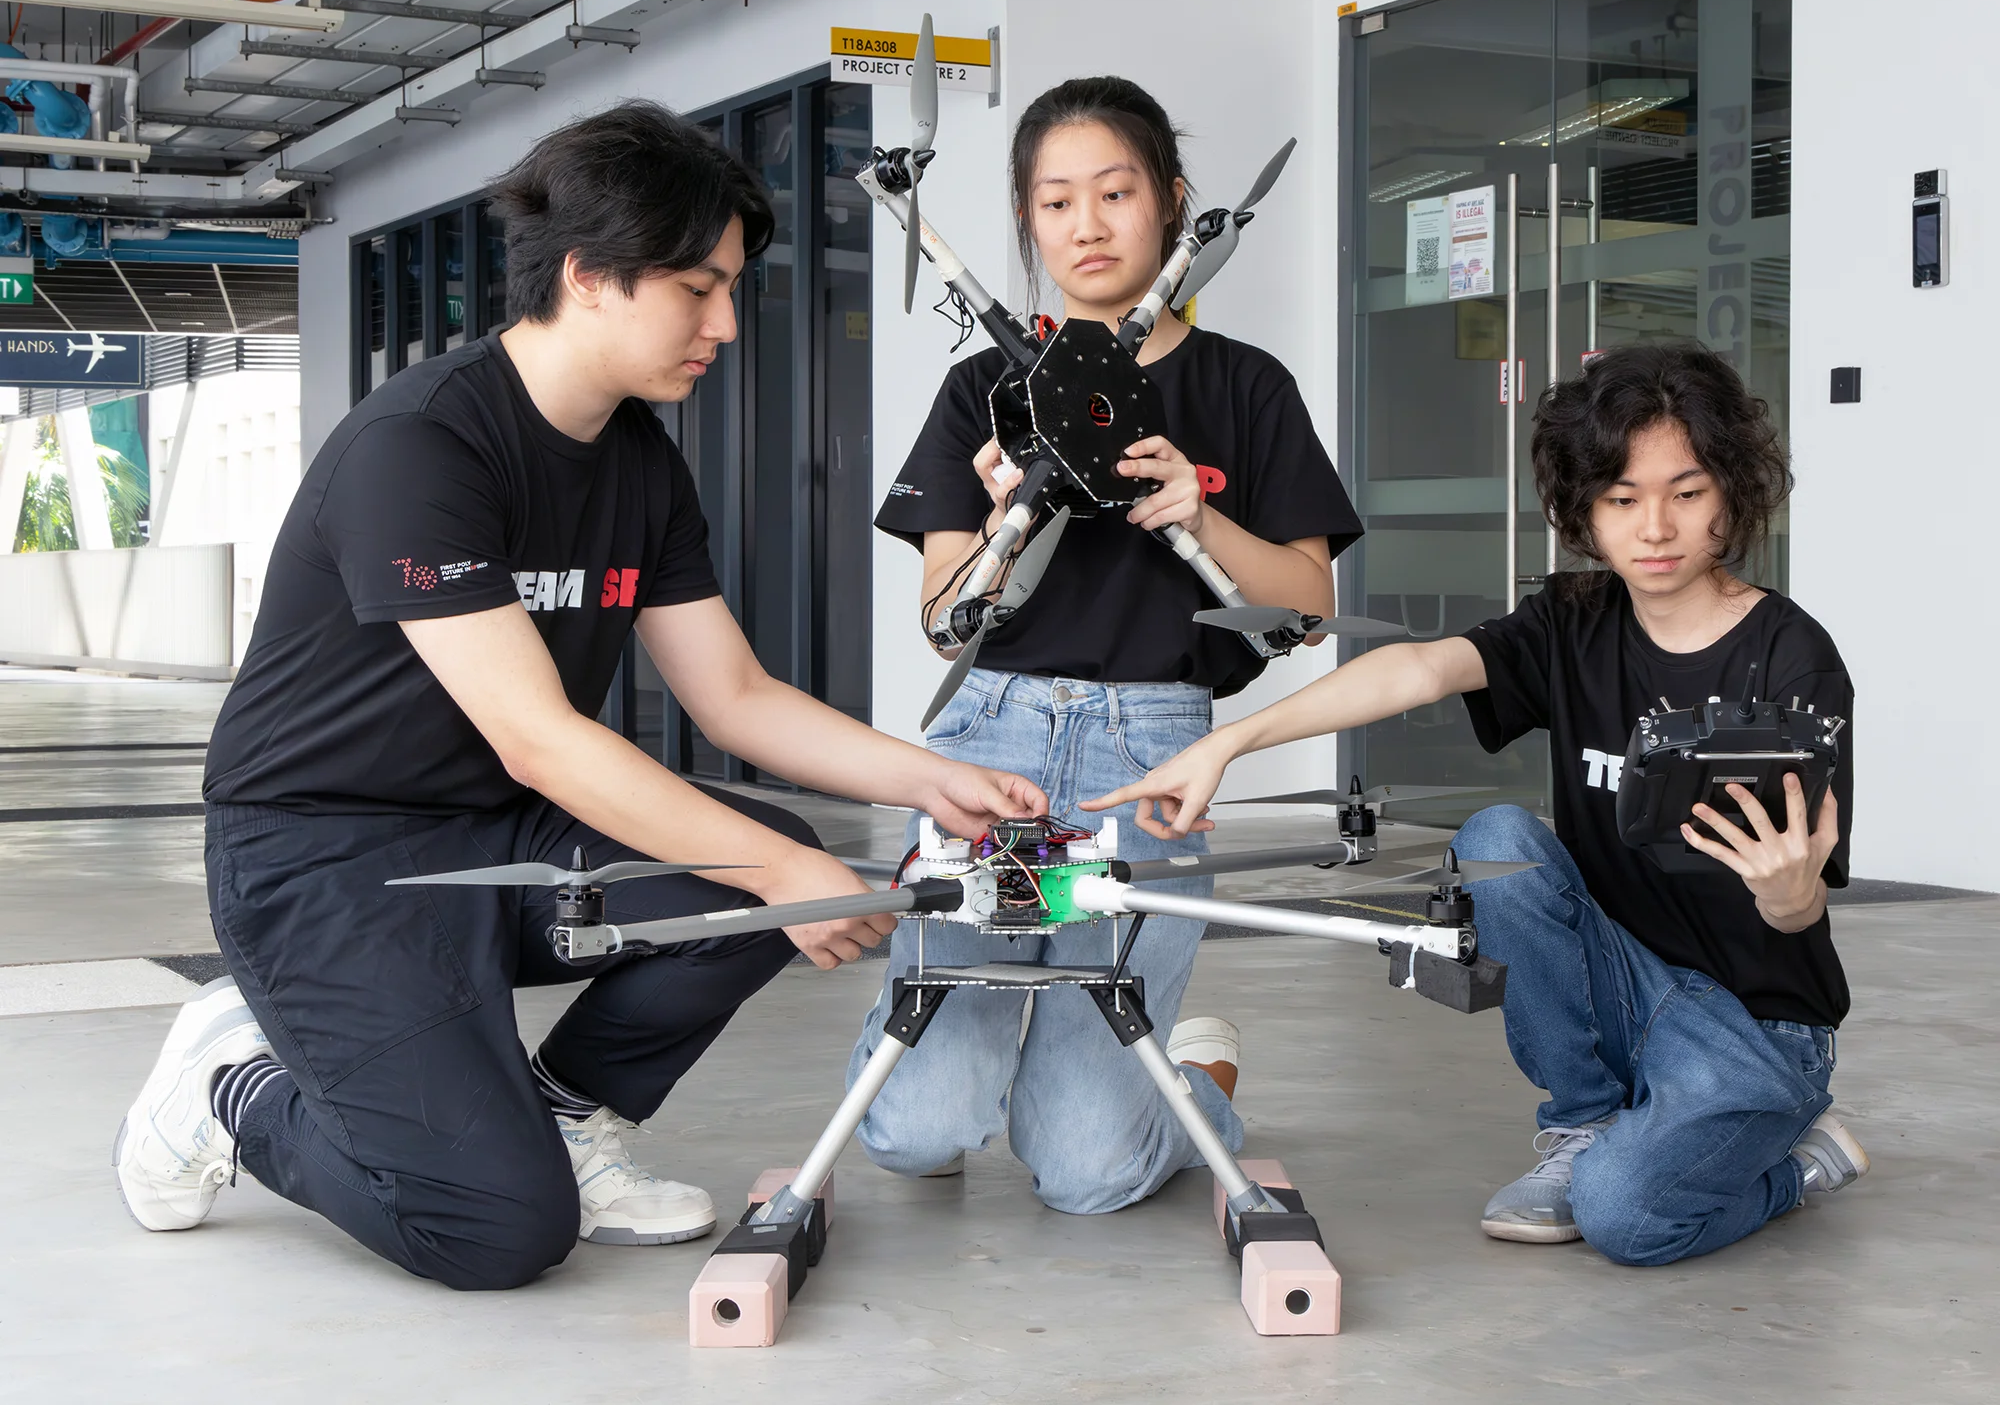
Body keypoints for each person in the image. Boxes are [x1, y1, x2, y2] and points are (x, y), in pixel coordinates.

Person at [113, 102, 1047, 1291]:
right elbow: (541, 737)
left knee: (758, 860)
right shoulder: (421, 446)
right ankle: (229, 1090)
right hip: (325, 855)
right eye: (697, 289)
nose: (723, 325)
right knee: (496, 1233)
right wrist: (783, 881)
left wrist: (932, 779)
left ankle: (564, 1116)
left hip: (496, 828)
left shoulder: (639, 461)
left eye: (732, 290)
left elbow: (737, 697)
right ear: (589, 277)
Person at [1087, 341, 1867, 1264]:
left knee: (1625, 1221)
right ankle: (1583, 1124)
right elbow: (1417, 667)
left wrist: (1788, 894)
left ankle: (1793, 1166)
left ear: (1730, 493)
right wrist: (1227, 742)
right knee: (1498, 839)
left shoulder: (1792, 658)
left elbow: (1803, 908)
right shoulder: (1576, 620)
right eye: (1622, 499)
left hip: (1755, 1024)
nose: (1654, 527)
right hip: (1633, 988)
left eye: (1686, 493)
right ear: (1585, 510)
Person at [854, 77, 1363, 1214]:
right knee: (911, 1135)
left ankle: (1187, 1078)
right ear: (1028, 221)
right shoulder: (983, 387)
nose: (1083, 225)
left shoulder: (1244, 386)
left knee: (1087, 1175)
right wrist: (1000, 521)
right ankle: (1005, 1066)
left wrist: (1198, 510)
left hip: (1150, 753)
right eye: (1053, 202)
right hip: (989, 735)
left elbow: (1303, 606)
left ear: (1171, 202)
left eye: (1115, 192)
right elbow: (943, 618)